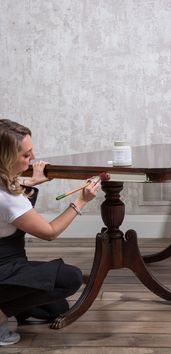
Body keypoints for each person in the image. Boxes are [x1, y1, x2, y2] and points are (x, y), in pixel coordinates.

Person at [0, 119, 101, 346]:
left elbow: (11, 187)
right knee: (70, 278)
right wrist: (81, 201)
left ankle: (7, 305)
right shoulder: (9, 199)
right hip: (4, 269)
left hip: (7, 266)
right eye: (26, 155)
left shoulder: (6, 185)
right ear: (6, 158)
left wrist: (32, 180)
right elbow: (49, 232)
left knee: (56, 308)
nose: (32, 157)